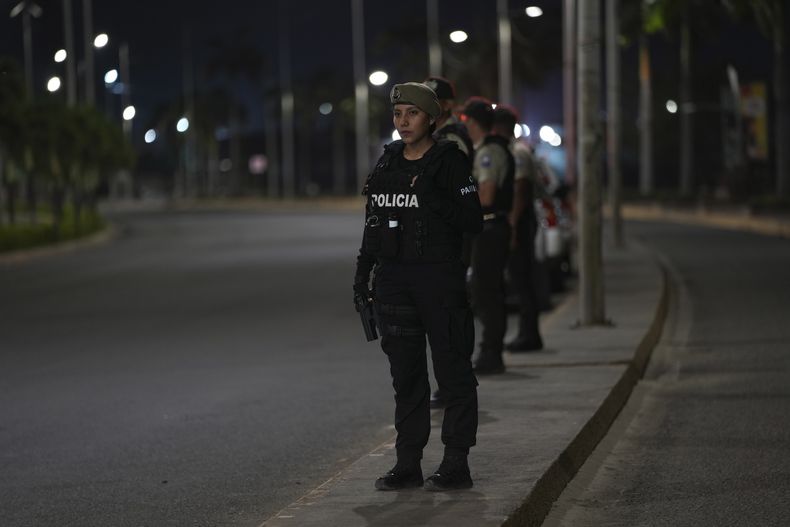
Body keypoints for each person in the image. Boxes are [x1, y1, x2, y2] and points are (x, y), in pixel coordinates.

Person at [353, 82, 483, 491]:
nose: (403, 121)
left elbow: (473, 221)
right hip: (394, 281)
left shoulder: (449, 162)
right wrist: (363, 273)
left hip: (438, 280)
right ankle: (407, 463)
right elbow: (374, 223)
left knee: (453, 372)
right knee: (406, 377)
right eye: (398, 114)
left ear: (431, 117)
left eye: (412, 113)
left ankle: (456, 463)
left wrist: (433, 199)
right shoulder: (388, 161)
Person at [423, 76, 474, 410]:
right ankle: (454, 381)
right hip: (443, 235)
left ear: (447, 106)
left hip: (451, 236)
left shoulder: (451, 138)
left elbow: (455, 189)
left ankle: (455, 383)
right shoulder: (441, 136)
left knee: (449, 312)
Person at [462, 97, 515, 375]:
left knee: (486, 292)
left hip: (490, 227)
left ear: (472, 122)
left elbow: (486, 195)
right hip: (490, 227)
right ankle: (490, 350)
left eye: (466, 121)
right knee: (487, 291)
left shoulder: (489, 152)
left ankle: (491, 353)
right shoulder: (487, 149)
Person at [493, 105, 544, 352]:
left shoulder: (518, 152)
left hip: (520, 220)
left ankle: (529, 335)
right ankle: (527, 333)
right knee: (519, 277)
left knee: (522, 277)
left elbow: (521, 191)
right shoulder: (512, 150)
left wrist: (512, 226)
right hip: (517, 219)